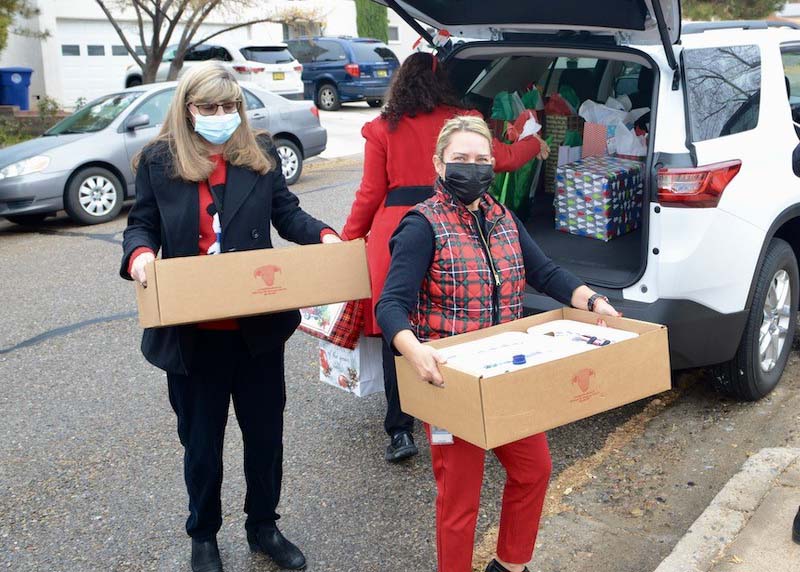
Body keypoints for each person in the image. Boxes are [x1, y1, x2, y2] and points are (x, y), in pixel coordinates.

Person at [120, 62, 339, 572]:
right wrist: (140, 257)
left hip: (256, 330)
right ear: (187, 109)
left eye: (228, 107)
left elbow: (286, 213)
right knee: (201, 445)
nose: (220, 116)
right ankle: (204, 535)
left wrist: (324, 236)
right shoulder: (158, 160)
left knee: (265, 437)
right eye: (208, 107)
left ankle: (263, 525)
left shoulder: (257, 154)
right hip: (193, 335)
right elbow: (142, 224)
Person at [376, 115, 620, 572]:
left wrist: (592, 300)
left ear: (494, 164)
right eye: (460, 160)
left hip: (508, 372)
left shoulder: (503, 217)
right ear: (438, 164)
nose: (473, 168)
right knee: (459, 500)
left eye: (482, 160)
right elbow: (390, 305)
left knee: (534, 470)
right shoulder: (422, 225)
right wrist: (413, 349)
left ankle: (510, 565)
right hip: (453, 382)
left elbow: (544, 272)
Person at [341, 51, 549, 463]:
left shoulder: (383, 127)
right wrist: (532, 142)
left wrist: (347, 241)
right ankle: (464, 407)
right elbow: (503, 158)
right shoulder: (463, 118)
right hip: (456, 222)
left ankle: (400, 430)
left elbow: (369, 193)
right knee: (461, 318)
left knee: (396, 324)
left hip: (393, 230)